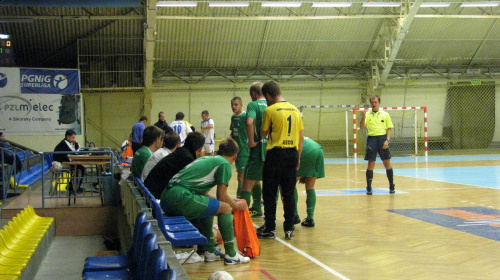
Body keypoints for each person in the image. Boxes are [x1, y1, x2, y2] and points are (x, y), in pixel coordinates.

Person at [160, 139, 250, 265]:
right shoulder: (224, 164)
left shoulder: (206, 159)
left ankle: (210, 251)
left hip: (167, 196)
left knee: (210, 206)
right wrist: (236, 205)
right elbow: (222, 197)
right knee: (225, 209)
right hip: (180, 197)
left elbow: (206, 194)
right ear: (235, 157)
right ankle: (231, 254)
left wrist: (229, 200)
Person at [257, 80, 304, 240]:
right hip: (292, 153)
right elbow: (301, 135)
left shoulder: (270, 110)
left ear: (269, 95)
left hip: (275, 155)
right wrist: (298, 155)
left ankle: (270, 228)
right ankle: (289, 228)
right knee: (288, 193)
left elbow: (263, 133)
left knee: (269, 192)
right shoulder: (295, 110)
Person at [145, 132, 205, 199]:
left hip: (149, 189)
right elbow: (189, 186)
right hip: (155, 194)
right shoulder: (188, 158)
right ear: (200, 149)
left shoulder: (180, 152)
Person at [239, 82, 267, 218]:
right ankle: (258, 209)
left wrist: (251, 141)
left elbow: (249, 122)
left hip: (258, 149)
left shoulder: (253, 105)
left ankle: (242, 217)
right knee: (262, 181)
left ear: (254, 94)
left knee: (246, 185)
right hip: (271, 150)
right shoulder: (272, 104)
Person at [359, 95, 395, 195]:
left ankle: (391, 185)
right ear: (370, 103)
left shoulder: (385, 114)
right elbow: (361, 127)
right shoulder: (367, 114)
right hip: (372, 139)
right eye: (372, 102)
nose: (374, 104)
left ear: (379, 103)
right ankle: (369, 187)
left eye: (376, 102)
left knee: (386, 163)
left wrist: (387, 140)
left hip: (382, 138)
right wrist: (363, 117)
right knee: (371, 163)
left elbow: (389, 129)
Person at [293, 137, 324, 227]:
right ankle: (310, 219)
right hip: (318, 149)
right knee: (310, 187)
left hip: (304, 150)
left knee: (289, 186)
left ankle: (294, 215)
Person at [228, 97, 249, 199]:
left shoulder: (245, 116)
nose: (233, 106)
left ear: (241, 105)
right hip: (236, 151)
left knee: (241, 177)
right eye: (232, 104)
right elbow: (233, 132)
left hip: (244, 150)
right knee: (242, 177)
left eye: (236, 104)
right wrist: (229, 139)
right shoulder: (233, 117)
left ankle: (240, 199)